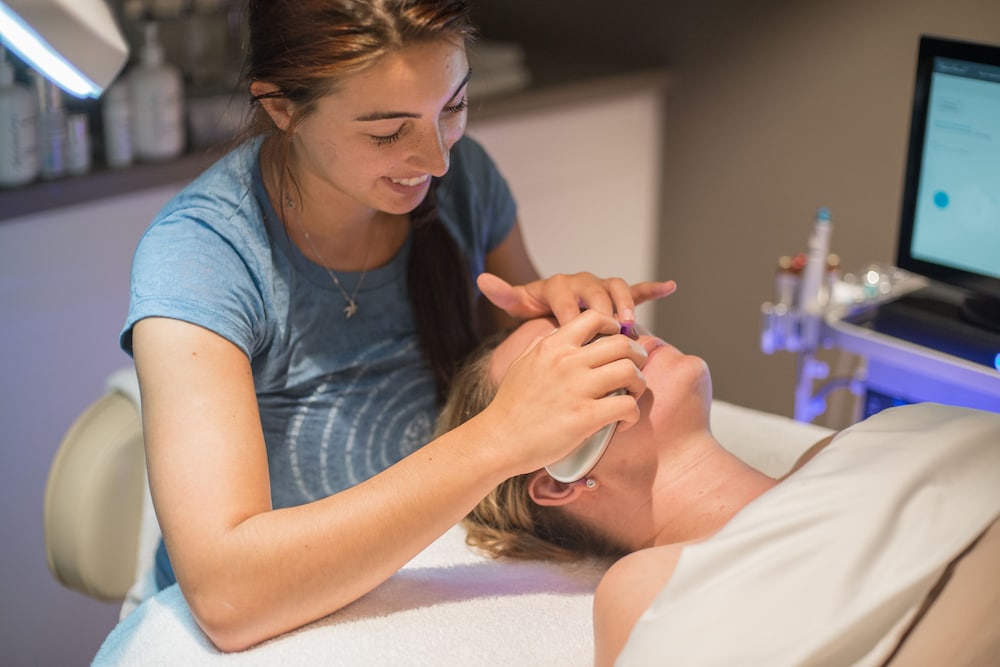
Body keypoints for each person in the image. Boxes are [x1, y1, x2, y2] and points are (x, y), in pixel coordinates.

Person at [120, 0, 676, 652]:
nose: (436, 159)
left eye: (454, 107)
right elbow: (226, 595)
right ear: (281, 107)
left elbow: (498, 372)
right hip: (264, 624)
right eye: (388, 132)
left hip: (423, 579)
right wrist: (500, 437)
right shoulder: (202, 259)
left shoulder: (464, 184)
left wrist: (552, 322)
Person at [437, 317, 1000, 666]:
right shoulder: (643, 586)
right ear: (557, 475)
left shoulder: (855, 443)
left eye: (596, 322)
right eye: (573, 360)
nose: (618, 331)